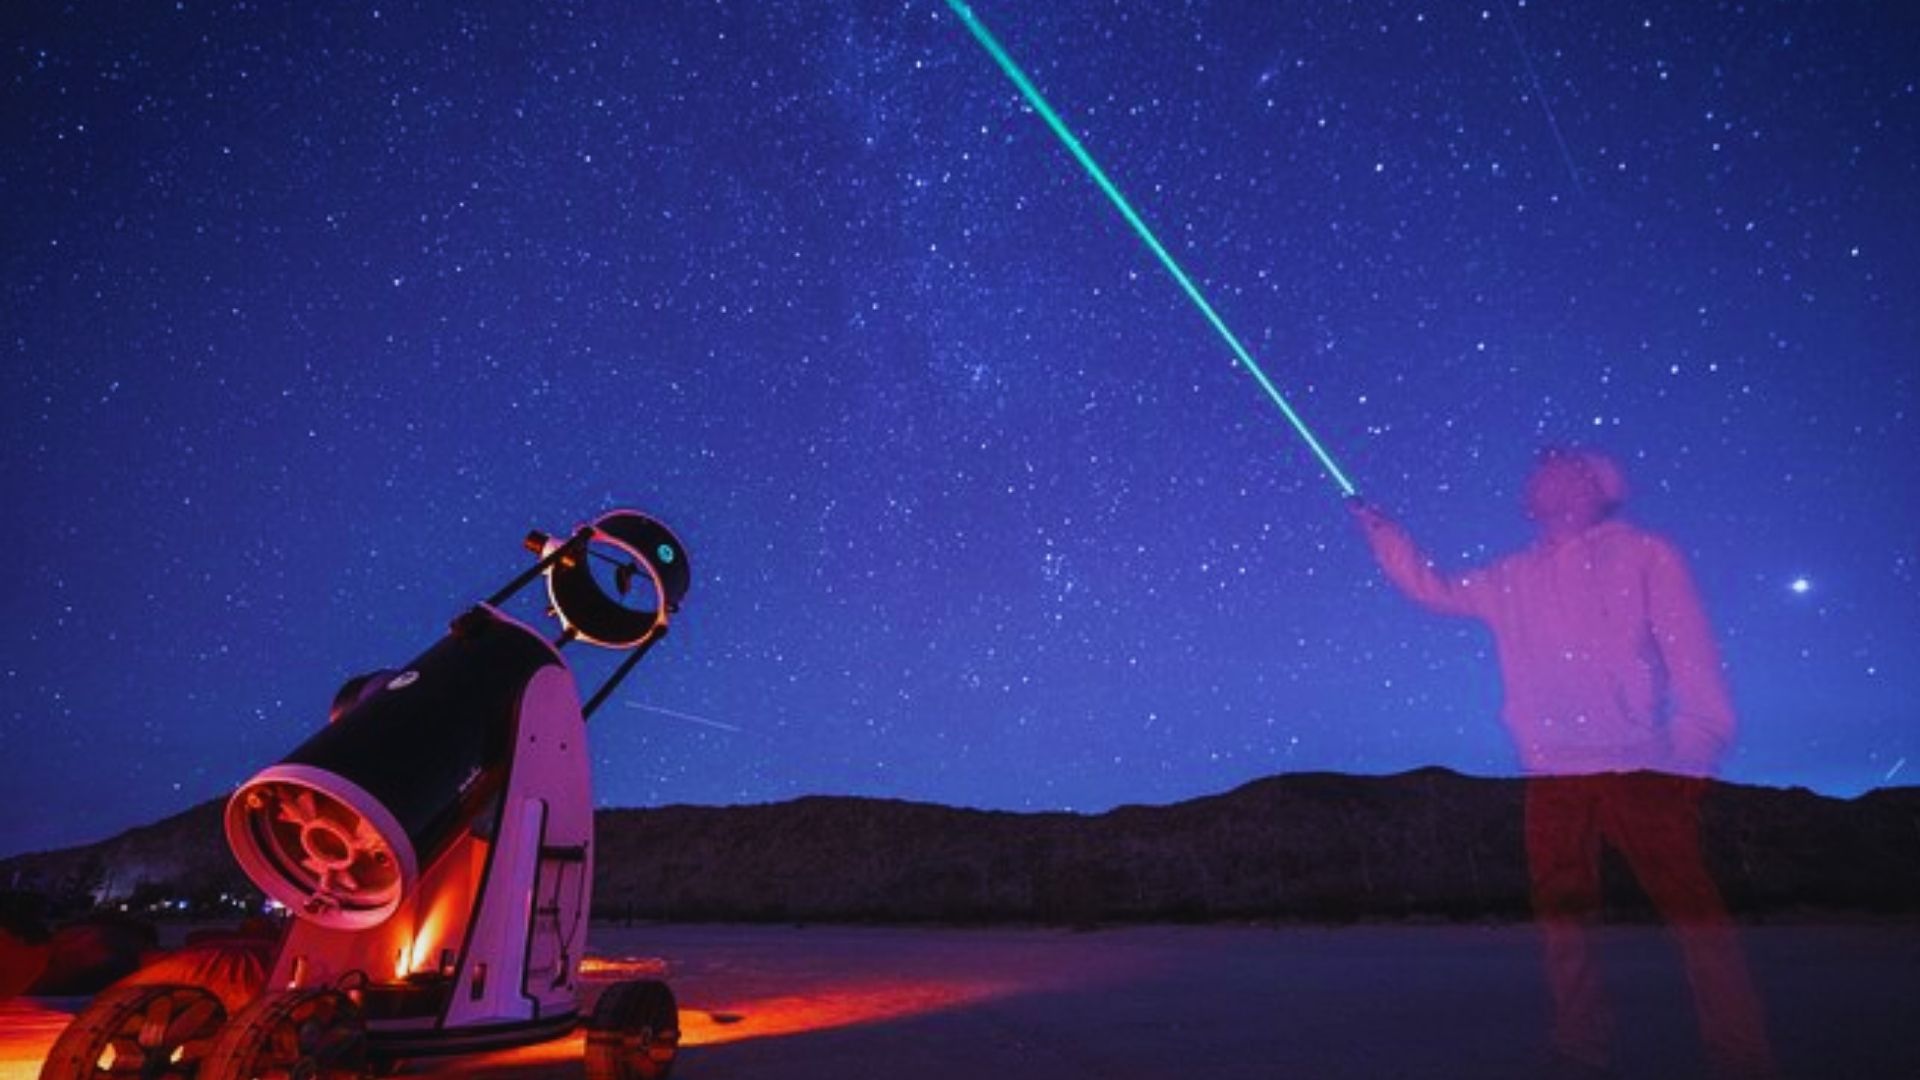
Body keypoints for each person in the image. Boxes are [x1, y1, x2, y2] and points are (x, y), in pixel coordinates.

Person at [1349, 448, 1775, 1079]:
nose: (1543, 470)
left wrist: (1699, 743)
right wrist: (1384, 536)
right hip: (1551, 773)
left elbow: (1691, 649)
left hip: (1641, 765)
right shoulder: (1511, 576)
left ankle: (1741, 1055)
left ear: (1595, 486)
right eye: (1542, 467)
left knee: (1694, 913)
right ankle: (1581, 1048)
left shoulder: (1644, 554)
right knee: (1564, 923)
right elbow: (1433, 589)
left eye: (1562, 464)